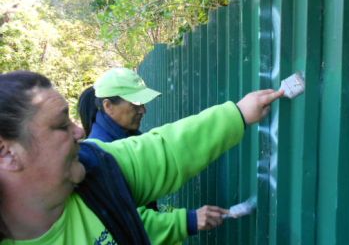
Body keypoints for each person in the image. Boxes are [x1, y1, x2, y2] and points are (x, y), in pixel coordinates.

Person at [0, 70, 283, 245]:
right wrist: (186, 220)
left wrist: (238, 114)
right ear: (7, 153)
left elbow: (167, 149)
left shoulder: (96, 167)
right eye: (61, 125)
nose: (77, 132)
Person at [77, 68, 230, 244]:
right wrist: (190, 220)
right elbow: (126, 221)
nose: (143, 110)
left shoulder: (129, 137)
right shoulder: (98, 159)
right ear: (108, 106)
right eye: (135, 104)